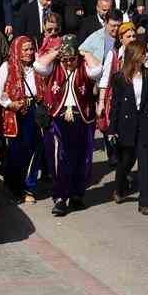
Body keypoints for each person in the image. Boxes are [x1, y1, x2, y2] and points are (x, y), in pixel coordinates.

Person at [38, 38, 103, 216]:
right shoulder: (54, 66)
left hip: (82, 117)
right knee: (60, 158)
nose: (68, 63)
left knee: (82, 157)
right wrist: (55, 53)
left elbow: (98, 70)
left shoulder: (84, 66)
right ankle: (60, 197)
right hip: (58, 118)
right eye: (65, 59)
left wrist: (85, 53)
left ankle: (76, 194)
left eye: (71, 59)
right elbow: (39, 65)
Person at [108, 39, 148, 212]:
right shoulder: (120, 78)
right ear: (134, 56)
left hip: (144, 123)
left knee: (144, 164)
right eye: (142, 53)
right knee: (126, 161)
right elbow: (115, 104)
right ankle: (119, 188)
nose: (145, 56)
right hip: (126, 124)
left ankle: (145, 202)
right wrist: (112, 129)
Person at [0, 36, 49, 203]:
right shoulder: (7, 67)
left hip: (35, 110)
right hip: (16, 112)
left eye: (31, 49)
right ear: (17, 50)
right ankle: (14, 186)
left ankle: (29, 187)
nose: (29, 53)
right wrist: (10, 103)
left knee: (36, 148)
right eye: (25, 49)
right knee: (17, 152)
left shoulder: (37, 66)